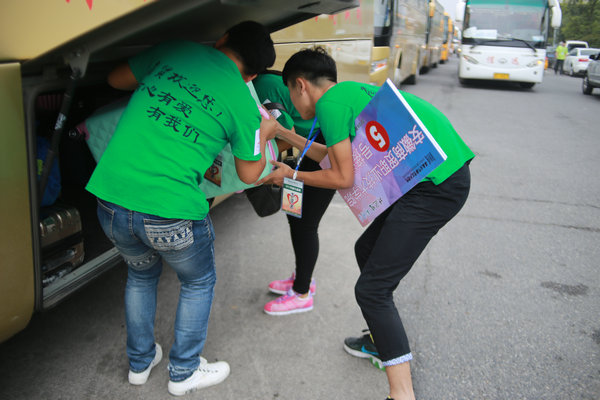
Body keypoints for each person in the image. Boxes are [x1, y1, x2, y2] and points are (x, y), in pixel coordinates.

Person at [257, 47, 474, 400]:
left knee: (371, 290)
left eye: (291, 96)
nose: (295, 105)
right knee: (366, 250)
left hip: (435, 186)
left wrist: (291, 173)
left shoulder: (328, 106)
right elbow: (331, 157)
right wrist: (284, 132)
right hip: (431, 175)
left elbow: (341, 177)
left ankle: (401, 394)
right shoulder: (347, 94)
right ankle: (380, 340)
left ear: (300, 86)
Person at [85, 21, 278, 396]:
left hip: (110, 200)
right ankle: (184, 371)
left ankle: (140, 364)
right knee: (197, 281)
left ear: (222, 39)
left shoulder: (175, 49)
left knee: (140, 276)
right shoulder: (242, 102)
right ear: (253, 74)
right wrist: (264, 132)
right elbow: (250, 172)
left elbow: (115, 79)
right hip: (170, 212)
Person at [252, 72, 336, 315]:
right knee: (296, 217)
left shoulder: (261, 87)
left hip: (316, 147)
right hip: (305, 148)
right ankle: (303, 278)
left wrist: (259, 160)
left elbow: (285, 130)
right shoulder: (265, 81)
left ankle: (302, 293)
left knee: (306, 224)